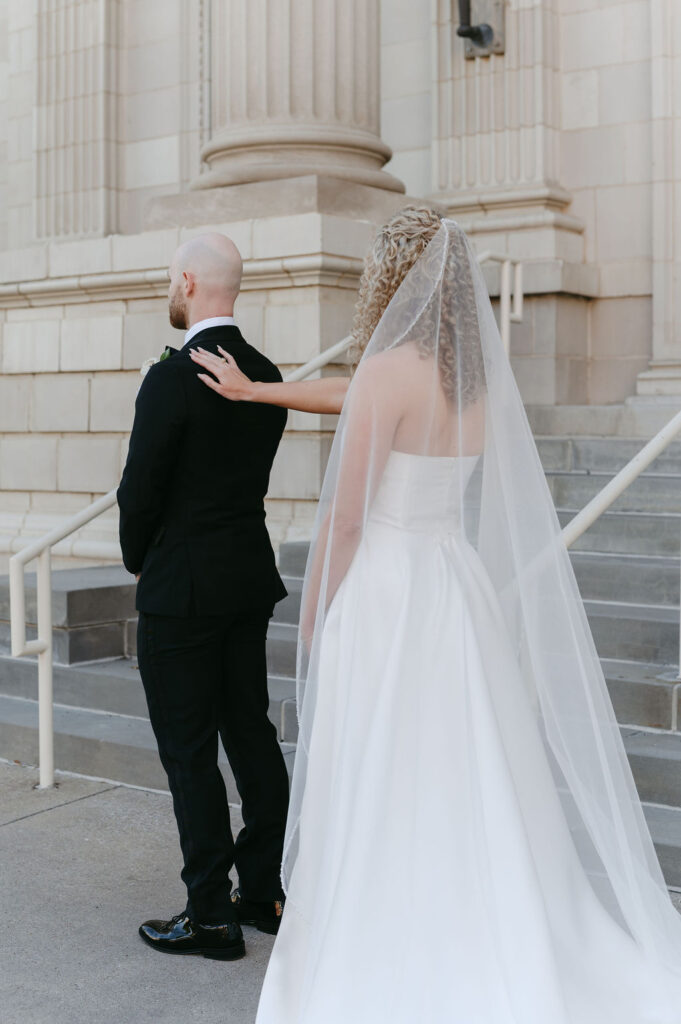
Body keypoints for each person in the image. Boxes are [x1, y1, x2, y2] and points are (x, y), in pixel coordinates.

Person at [192, 208, 681, 1022]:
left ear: (390, 278)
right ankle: (481, 925)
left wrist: (315, 613)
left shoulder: (388, 370)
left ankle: (389, 937)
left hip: (386, 590)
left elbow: (345, 520)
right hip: (452, 589)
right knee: (460, 769)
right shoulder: (473, 379)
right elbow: (353, 395)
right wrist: (258, 388)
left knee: (381, 766)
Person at [117, 233, 290, 962]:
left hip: (182, 592)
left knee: (189, 752)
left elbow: (141, 491)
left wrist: (138, 563)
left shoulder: (171, 376)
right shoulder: (266, 372)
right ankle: (261, 893)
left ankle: (210, 915)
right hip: (246, 577)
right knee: (249, 730)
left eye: (169, 278)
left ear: (187, 282)